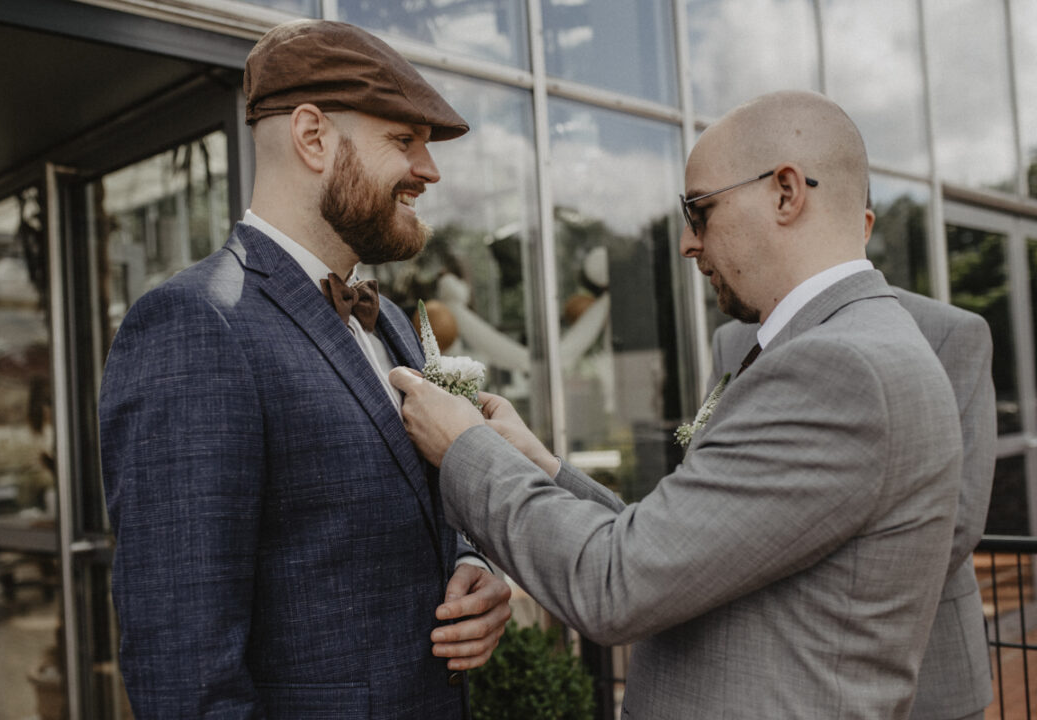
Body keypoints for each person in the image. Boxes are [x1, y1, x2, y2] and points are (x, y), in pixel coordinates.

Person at [389, 90, 964, 718]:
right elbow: (678, 547)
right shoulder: (850, 344)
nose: (688, 243)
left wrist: (463, 447)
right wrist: (537, 463)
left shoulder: (838, 369)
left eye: (699, 210)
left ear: (786, 193)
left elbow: (615, 583)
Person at [99, 20, 511, 719]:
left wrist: (475, 564)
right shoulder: (196, 324)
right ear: (313, 137)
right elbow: (185, 676)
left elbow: (408, 512)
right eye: (403, 141)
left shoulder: (391, 324)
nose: (430, 170)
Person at [710, 285, 995, 720]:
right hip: (788, 680)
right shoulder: (732, 341)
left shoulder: (951, 330)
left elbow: (959, 518)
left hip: (929, 664)